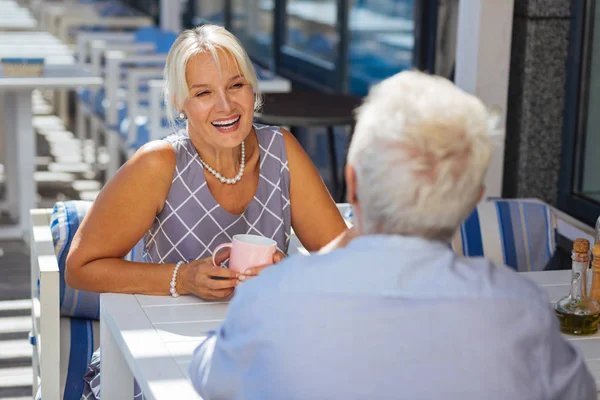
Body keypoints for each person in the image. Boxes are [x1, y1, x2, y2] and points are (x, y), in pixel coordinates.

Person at [188, 71, 597, 400]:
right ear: (473, 200)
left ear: (352, 181)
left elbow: (209, 376)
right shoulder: (517, 310)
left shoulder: (274, 297)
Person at [65, 25, 347, 399]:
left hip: (258, 354)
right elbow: (79, 267)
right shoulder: (159, 163)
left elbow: (345, 261)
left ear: (252, 89)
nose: (226, 105)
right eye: (203, 93)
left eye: (236, 86)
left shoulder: (282, 150)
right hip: (159, 359)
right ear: (181, 103)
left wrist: (289, 273)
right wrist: (183, 279)